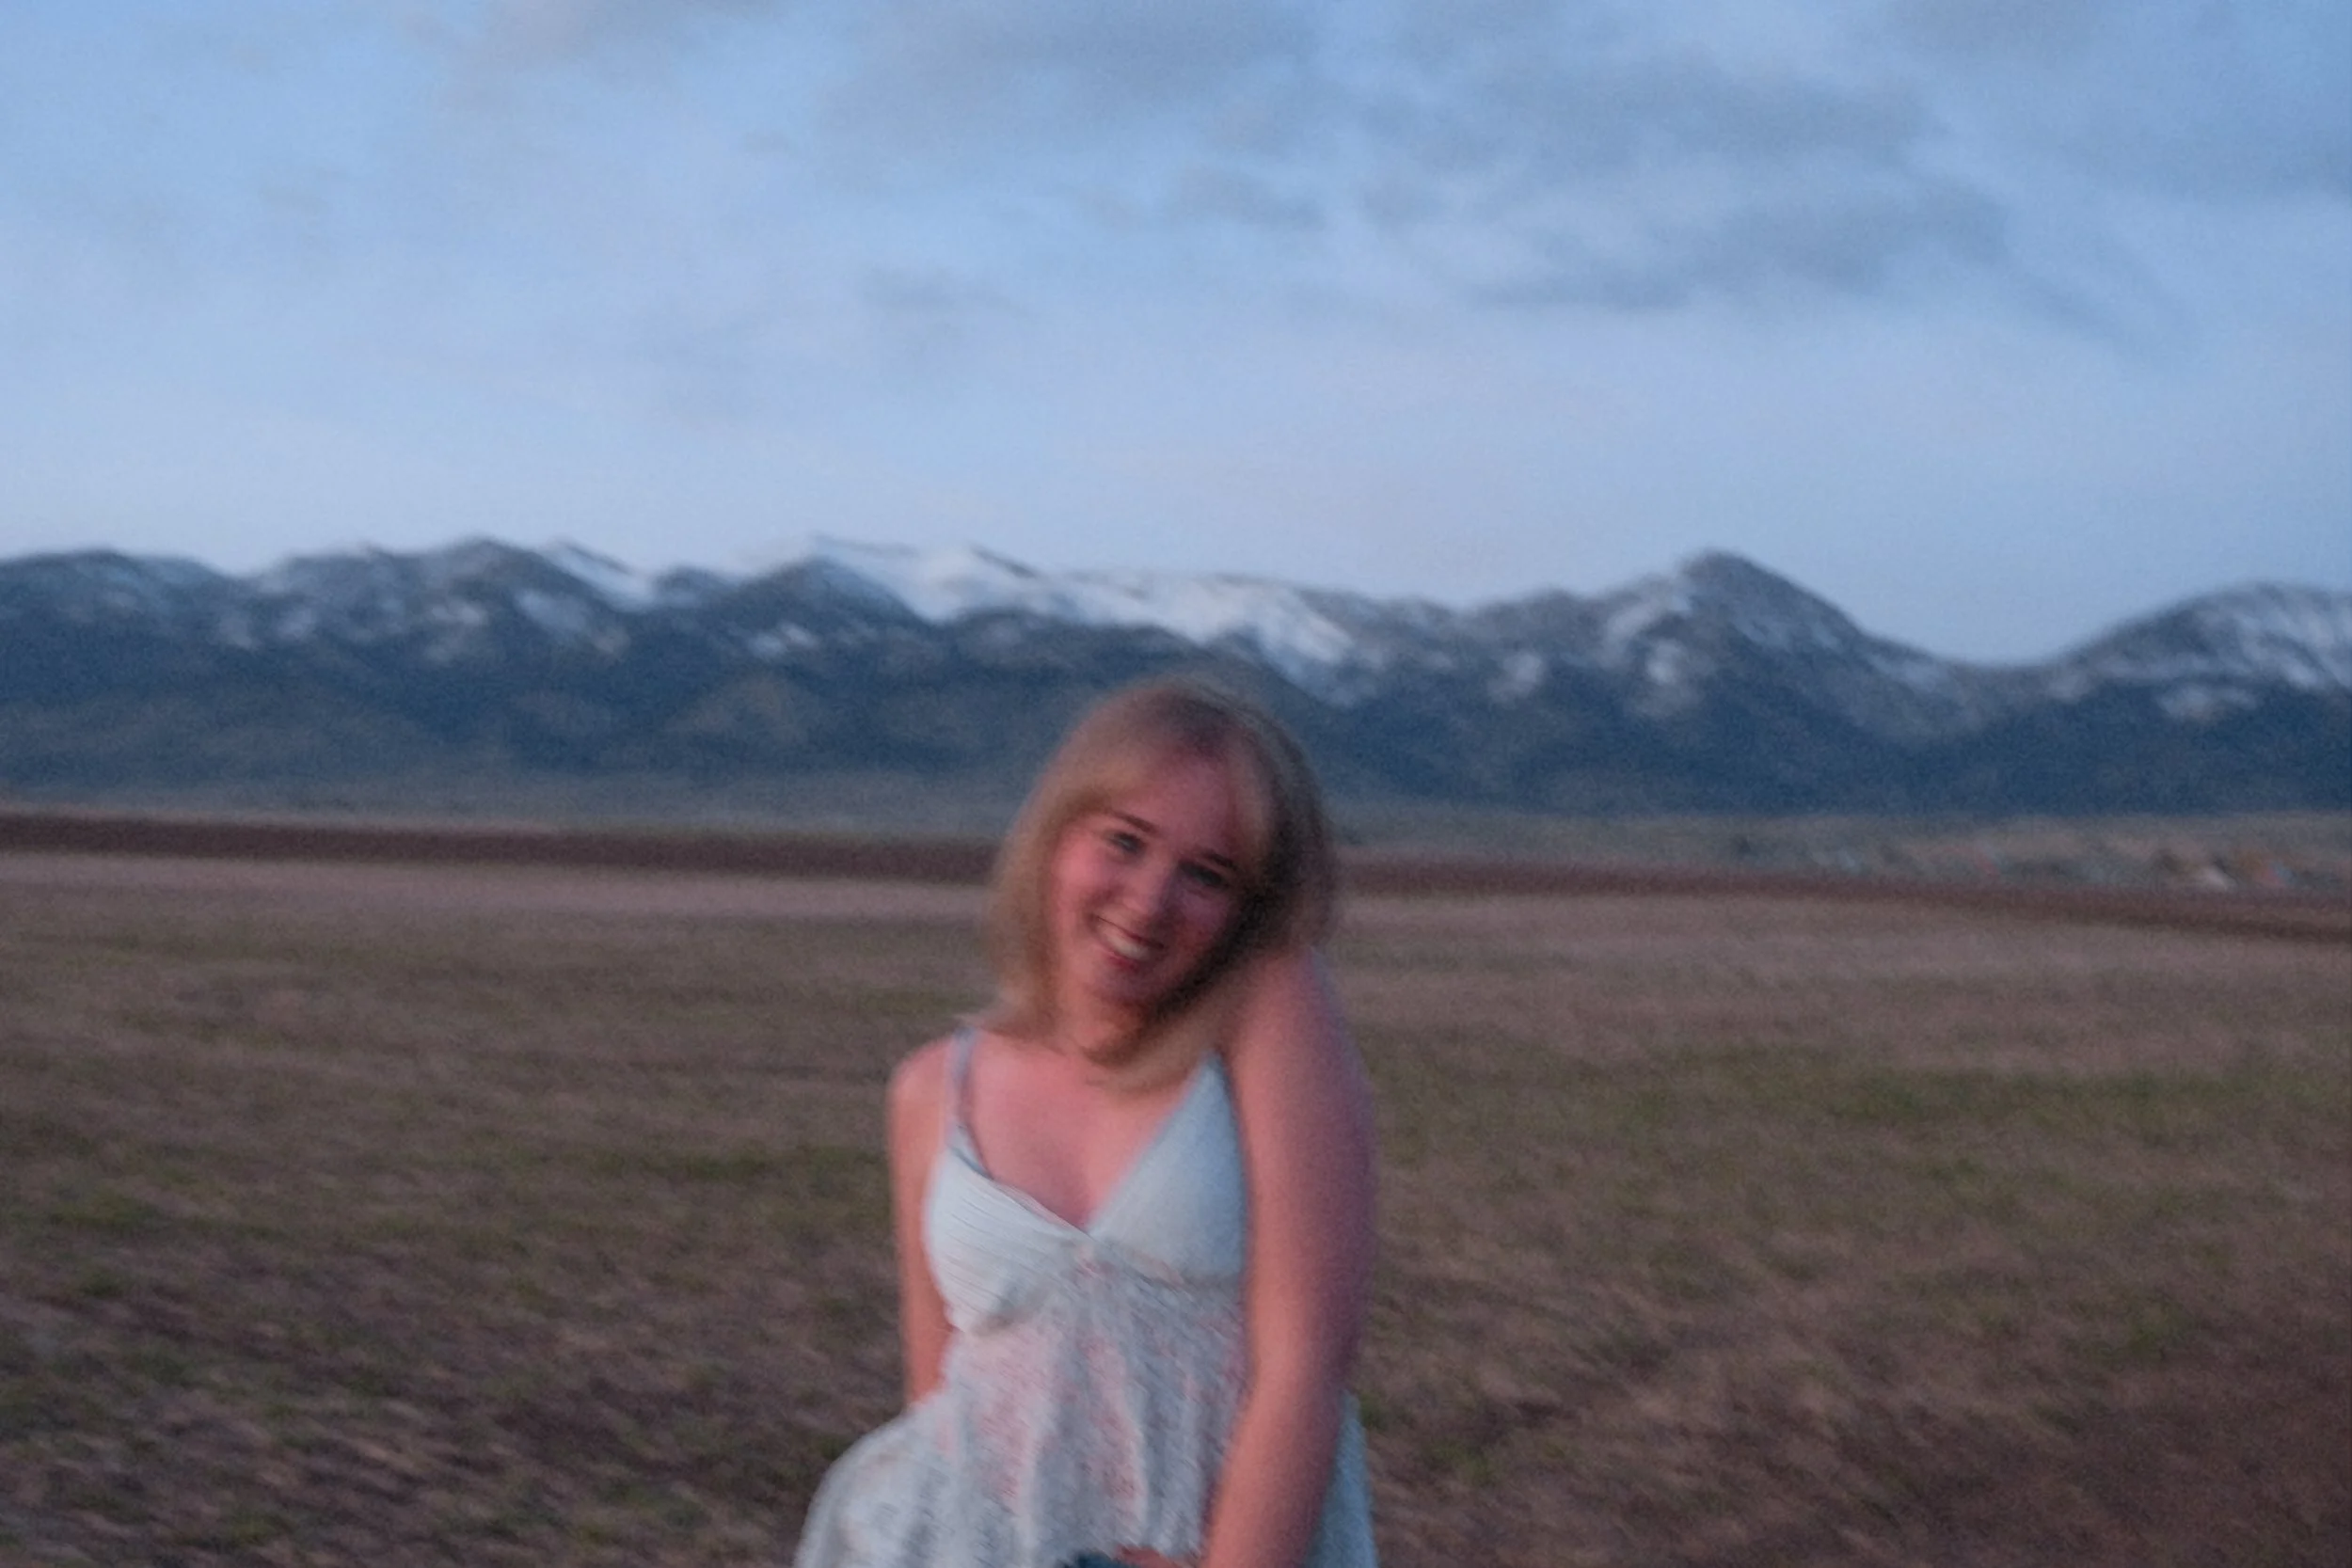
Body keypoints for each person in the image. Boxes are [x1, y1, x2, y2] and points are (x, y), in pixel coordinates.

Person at [792, 677, 1379, 1568]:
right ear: (1054, 836)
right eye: (1124, 841)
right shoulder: (929, 1089)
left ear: (1244, 908)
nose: (1149, 901)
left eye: (1206, 874)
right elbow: (938, 1402)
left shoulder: (1266, 1009)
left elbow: (1306, 1365)